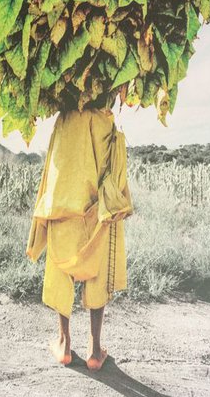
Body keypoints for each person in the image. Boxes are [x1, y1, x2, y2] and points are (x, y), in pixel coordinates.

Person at [26, 100, 133, 371]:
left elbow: (53, 172)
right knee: (98, 257)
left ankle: (64, 343)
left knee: (62, 255)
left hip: (66, 197)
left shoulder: (65, 119)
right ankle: (95, 350)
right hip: (99, 203)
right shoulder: (105, 119)